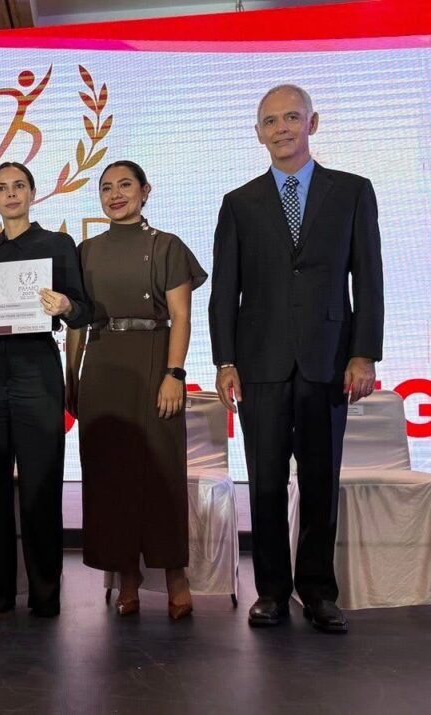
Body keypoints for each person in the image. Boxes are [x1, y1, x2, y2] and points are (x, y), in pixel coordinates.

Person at [208, 85, 383, 633]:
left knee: (320, 482)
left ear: (313, 122)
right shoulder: (239, 203)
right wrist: (224, 360)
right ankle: (272, 592)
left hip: (328, 360)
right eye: (270, 121)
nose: (281, 128)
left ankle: (319, 592)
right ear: (258, 132)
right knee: (263, 483)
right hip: (259, 363)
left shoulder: (352, 191)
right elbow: (224, 291)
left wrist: (363, 353)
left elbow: (368, 278)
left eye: (291, 117)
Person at [66, 160, 206, 620]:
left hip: (153, 359)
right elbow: (78, 321)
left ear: (146, 191)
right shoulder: (86, 251)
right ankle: (127, 575)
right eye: (106, 188)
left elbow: (181, 316)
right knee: (110, 473)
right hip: (102, 363)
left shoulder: (167, 246)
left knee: (162, 467)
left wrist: (175, 373)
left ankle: (175, 575)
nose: (116, 194)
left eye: (125, 185)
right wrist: (71, 376)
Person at [0, 162, 87, 617]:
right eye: (1, 187)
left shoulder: (57, 244)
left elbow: (83, 310)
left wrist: (66, 304)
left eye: (19, 185)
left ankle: (45, 593)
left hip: (37, 366)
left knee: (41, 484)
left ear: (33, 193)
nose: (11, 193)